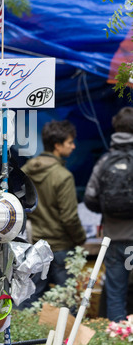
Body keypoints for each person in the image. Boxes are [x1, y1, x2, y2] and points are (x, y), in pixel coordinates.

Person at [19, 119, 86, 307]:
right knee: (68, 301)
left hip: (34, 245)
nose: (73, 147)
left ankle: (26, 335)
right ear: (57, 146)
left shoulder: (24, 172)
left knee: (30, 300)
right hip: (60, 247)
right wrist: (80, 239)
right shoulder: (63, 176)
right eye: (69, 142)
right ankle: (65, 337)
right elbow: (69, 217)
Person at [84, 106, 133, 322]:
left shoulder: (104, 162)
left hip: (113, 239)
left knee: (115, 292)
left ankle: (116, 339)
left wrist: (108, 210)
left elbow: (89, 198)